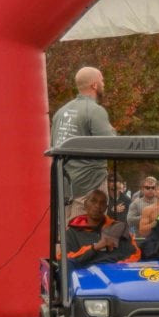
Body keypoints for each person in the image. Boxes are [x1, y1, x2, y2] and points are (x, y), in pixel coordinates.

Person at [51, 67, 116, 219]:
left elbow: (54, 144)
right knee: (88, 230)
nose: (104, 84)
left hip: (65, 188)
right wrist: (112, 131)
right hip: (90, 187)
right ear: (94, 85)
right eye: (102, 80)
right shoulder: (95, 110)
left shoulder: (60, 112)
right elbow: (111, 145)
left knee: (67, 231)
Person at [64, 189, 140, 266]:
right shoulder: (72, 232)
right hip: (85, 271)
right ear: (85, 205)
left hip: (116, 270)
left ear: (106, 207)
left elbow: (135, 253)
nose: (98, 206)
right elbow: (65, 259)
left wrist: (119, 267)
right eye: (93, 201)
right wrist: (94, 247)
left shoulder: (119, 228)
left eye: (102, 203)